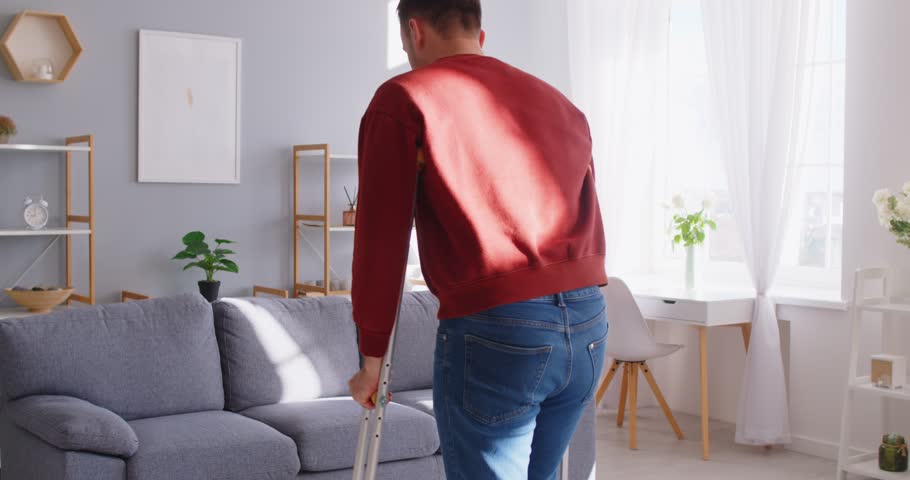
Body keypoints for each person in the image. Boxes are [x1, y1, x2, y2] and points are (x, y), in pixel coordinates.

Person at [347, 1, 608, 478]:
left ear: (414, 31)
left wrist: (371, 355)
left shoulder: (404, 98)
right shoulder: (560, 103)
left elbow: (379, 241)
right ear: (479, 36)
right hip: (589, 325)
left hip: (501, 330)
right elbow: (586, 209)